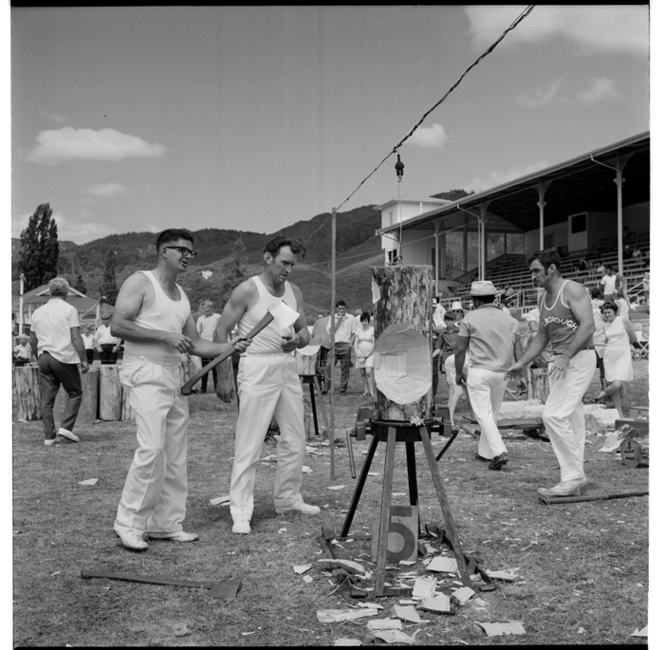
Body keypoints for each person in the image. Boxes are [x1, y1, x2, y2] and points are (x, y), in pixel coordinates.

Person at [111, 229, 249, 552]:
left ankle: (165, 524)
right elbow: (119, 324)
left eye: (191, 252)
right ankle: (128, 524)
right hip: (145, 368)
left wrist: (229, 346)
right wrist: (165, 336)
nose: (188, 256)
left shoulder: (182, 296)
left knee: (175, 453)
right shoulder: (140, 282)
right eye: (182, 250)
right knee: (152, 448)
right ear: (163, 251)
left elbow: (197, 344)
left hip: (173, 373)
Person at [215, 236, 318, 535]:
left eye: (293, 265)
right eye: (284, 263)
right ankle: (241, 510)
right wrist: (224, 375)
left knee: (296, 435)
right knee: (250, 440)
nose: (288, 270)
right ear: (268, 258)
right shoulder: (249, 290)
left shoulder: (293, 291)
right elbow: (222, 331)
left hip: (286, 366)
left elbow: (305, 336)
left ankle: (287, 498)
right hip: (256, 364)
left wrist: (294, 342)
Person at [506, 249, 595, 498]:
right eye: (531, 271)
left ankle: (573, 476)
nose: (532, 276)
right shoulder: (543, 298)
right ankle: (574, 475)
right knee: (572, 419)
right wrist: (522, 362)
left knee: (553, 415)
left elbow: (588, 325)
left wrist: (566, 356)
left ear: (551, 268)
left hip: (578, 358)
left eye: (536, 270)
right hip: (560, 360)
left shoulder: (573, 290)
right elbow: (542, 336)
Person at [455, 281, 520, 471]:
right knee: (493, 413)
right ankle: (485, 453)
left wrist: (459, 372)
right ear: (494, 298)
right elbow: (518, 347)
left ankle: (499, 451)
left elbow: (460, 349)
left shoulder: (470, 317)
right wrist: (520, 371)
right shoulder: (509, 319)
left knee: (483, 413)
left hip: (479, 370)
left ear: (475, 301)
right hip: (502, 372)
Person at [29, 277, 90, 445]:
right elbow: (76, 336)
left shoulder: (38, 312)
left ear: (49, 291)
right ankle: (66, 429)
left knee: (47, 400)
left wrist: (38, 356)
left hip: (44, 356)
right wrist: (84, 360)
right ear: (66, 292)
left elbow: (32, 340)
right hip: (63, 357)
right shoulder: (69, 310)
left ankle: (49, 436)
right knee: (75, 392)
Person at [595, 302, 638, 418]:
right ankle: (619, 414)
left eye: (609, 312)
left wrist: (623, 346)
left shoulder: (622, 320)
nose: (607, 315)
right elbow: (607, 340)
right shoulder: (604, 326)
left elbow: (633, 337)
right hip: (609, 357)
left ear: (615, 311)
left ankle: (602, 395)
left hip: (623, 356)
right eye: (604, 313)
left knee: (617, 384)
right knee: (614, 387)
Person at [434, 309, 471, 428]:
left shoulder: (460, 331)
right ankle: (449, 411)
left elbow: (465, 346)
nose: (449, 323)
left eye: (451, 320)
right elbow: (439, 348)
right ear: (445, 321)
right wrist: (430, 358)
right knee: (451, 385)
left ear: (454, 321)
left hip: (460, 359)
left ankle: (450, 409)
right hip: (447, 359)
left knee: (457, 385)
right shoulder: (442, 334)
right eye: (447, 320)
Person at [325, 299, 356, 396]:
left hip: (345, 344)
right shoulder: (332, 318)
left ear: (345, 308)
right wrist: (338, 320)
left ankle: (343, 390)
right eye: (339, 308)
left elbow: (354, 332)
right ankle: (327, 387)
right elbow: (330, 331)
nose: (341, 310)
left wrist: (350, 345)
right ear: (336, 309)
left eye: (343, 308)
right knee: (329, 366)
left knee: (345, 369)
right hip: (335, 344)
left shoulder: (351, 318)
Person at [195, 300, 222, 393]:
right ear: (203, 309)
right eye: (205, 307)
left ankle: (217, 388)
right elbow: (198, 332)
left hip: (214, 345)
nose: (207, 309)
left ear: (212, 308)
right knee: (205, 368)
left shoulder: (217, 317)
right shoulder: (200, 319)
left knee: (215, 368)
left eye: (208, 307)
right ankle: (203, 388)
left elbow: (222, 327)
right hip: (204, 346)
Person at [589, 287, 608, 394]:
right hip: (601, 343)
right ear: (600, 295)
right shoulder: (603, 305)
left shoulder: (588, 305)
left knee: (586, 371)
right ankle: (603, 390)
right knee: (603, 371)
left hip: (592, 342)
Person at [353, 312, 375, 398]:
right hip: (360, 354)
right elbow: (355, 343)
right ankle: (366, 390)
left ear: (369, 321)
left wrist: (368, 354)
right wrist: (357, 353)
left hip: (370, 353)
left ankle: (372, 391)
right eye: (362, 321)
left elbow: (373, 343)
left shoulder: (372, 329)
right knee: (362, 372)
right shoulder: (358, 330)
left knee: (368, 371)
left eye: (366, 321)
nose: (364, 323)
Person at [310, 311, 331, 390]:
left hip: (316, 344)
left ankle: (318, 386)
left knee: (317, 366)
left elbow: (312, 334)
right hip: (326, 344)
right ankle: (326, 387)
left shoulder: (319, 320)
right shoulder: (333, 320)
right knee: (324, 366)